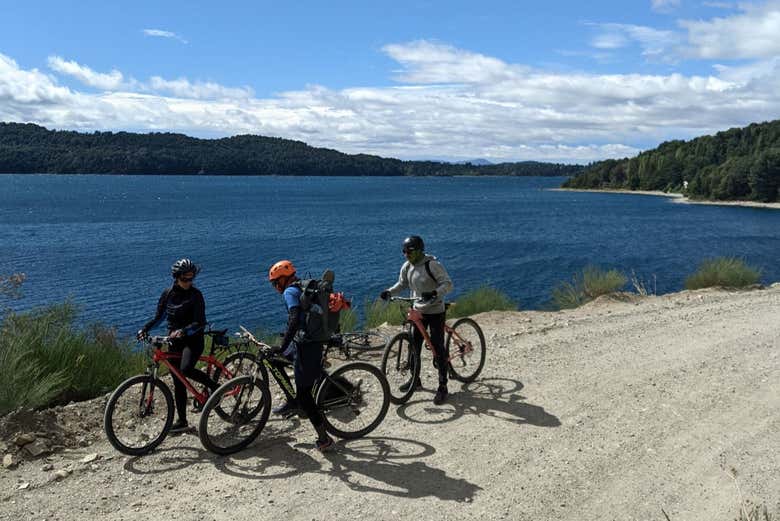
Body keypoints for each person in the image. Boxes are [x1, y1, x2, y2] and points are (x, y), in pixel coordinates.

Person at [137, 258, 218, 433]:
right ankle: (182, 421)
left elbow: (200, 322)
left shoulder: (196, 295)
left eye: (191, 278)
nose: (189, 282)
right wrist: (144, 329)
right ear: (176, 277)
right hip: (174, 341)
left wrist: (183, 331)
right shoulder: (167, 294)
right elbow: (159, 317)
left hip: (193, 340)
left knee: (186, 369)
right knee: (178, 381)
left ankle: (216, 388)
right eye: (185, 279)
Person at [268, 259, 334, 452]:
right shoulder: (302, 287)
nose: (275, 287)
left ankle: (324, 438)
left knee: (305, 396)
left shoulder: (290, 291)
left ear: (282, 280)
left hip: (308, 345)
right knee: (274, 359)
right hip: (306, 341)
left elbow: (295, 318)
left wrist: (282, 344)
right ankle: (292, 400)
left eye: (275, 283)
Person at [380, 236, 453, 405]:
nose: (406, 254)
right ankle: (415, 380)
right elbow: (401, 284)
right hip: (418, 310)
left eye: (409, 251)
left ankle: (443, 386)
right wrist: (389, 292)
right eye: (404, 251)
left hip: (435, 310)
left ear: (420, 250)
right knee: (413, 345)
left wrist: (434, 293)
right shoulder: (407, 266)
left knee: (437, 345)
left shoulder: (432, 265)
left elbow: (448, 284)